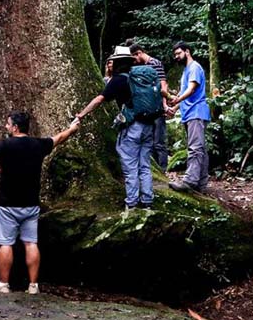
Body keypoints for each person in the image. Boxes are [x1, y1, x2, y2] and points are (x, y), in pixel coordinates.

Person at [0, 111, 81, 295]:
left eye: (8, 124)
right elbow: (60, 137)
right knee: (31, 243)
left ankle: (3, 284)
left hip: (7, 205)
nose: (6, 126)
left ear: (15, 127)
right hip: (31, 204)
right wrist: (73, 128)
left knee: (5, 243)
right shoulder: (38, 144)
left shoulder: (6, 145)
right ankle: (33, 285)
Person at [74, 46, 158, 209]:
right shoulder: (140, 77)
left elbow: (99, 100)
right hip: (149, 126)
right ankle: (147, 201)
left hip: (132, 127)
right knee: (144, 165)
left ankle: (132, 203)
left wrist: (81, 114)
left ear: (118, 63)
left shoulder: (118, 80)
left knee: (130, 166)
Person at [167, 41, 211, 192]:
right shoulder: (186, 70)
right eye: (175, 55)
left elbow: (191, 90)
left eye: (179, 53)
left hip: (196, 112)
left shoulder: (194, 67)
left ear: (187, 51)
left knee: (195, 148)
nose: (177, 57)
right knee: (200, 149)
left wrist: (177, 100)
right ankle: (201, 184)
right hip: (189, 113)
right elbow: (184, 94)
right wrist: (174, 107)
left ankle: (190, 181)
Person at [129, 42, 171, 172]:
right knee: (150, 142)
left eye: (134, 57)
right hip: (148, 109)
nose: (134, 61)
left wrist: (164, 104)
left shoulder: (155, 64)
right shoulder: (143, 67)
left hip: (158, 108)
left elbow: (163, 84)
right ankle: (155, 170)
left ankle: (163, 170)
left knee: (159, 142)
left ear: (139, 53)